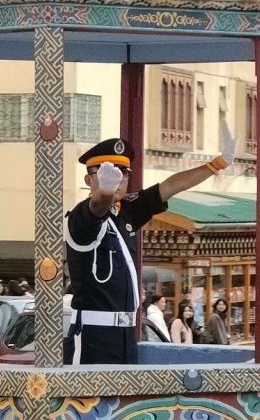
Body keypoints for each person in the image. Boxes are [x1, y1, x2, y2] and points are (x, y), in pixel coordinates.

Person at [64, 130, 235, 365]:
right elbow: (97, 208)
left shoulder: (126, 211)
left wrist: (216, 164)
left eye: (123, 172)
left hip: (126, 334)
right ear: (88, 179)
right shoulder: (80, 218)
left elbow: (170, 186)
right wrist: (104, 192)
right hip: (94, 336)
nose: (117, 178)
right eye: (106, 172)